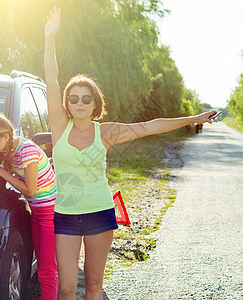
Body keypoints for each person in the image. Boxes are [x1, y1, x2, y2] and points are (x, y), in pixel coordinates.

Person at [44, 7, 217, 300]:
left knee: (95, 284)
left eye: (86, 98)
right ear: (67, 104)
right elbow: (51, 79)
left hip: (100, 212)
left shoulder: (106, 132)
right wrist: (50, 38)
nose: (80, 102)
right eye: (73, 98)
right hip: (66, 216)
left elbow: (150, 126)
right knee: (67, 287)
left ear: (94, 102)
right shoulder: (59, 127)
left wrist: (192, 119)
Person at [0, 112, 58, 300]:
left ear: (6, 136)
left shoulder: (27, 151)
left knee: (47, 270)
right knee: (41, 265)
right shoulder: (7, 151)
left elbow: (30, 190)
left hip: (50, 213)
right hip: (38, 212)